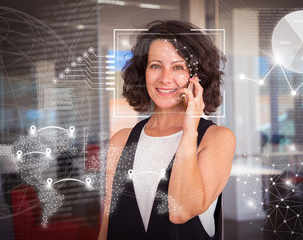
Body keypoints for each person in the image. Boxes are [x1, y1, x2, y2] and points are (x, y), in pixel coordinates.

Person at [98, 20, 235, 240]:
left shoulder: (217, 139)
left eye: (178, 67)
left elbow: (180, 211)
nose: (164, 78)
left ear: (197, 76)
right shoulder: (120, 141)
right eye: (155, 65)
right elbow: (107, 224)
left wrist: (190, 127)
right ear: (143, 72)